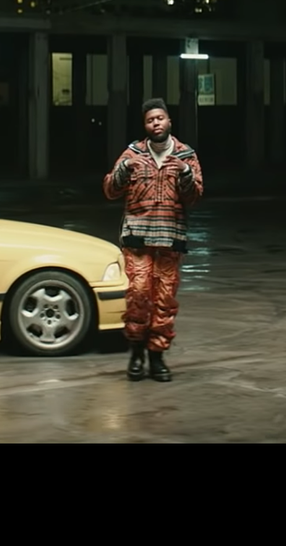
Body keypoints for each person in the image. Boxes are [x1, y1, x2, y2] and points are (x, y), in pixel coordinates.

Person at [102, 98, 203, 382]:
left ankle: (157, 356)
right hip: (137, 239)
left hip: (170, 239)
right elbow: (110, 190)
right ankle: (136, 352)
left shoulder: (186, 156)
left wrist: (185, 173)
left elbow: (194, 196)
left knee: (164, 300)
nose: (155, 123)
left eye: (160, 118)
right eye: (150, 120)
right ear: (145, 125)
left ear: (169, 121)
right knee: (138, 294)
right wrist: (123, 170)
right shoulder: (133, 153)